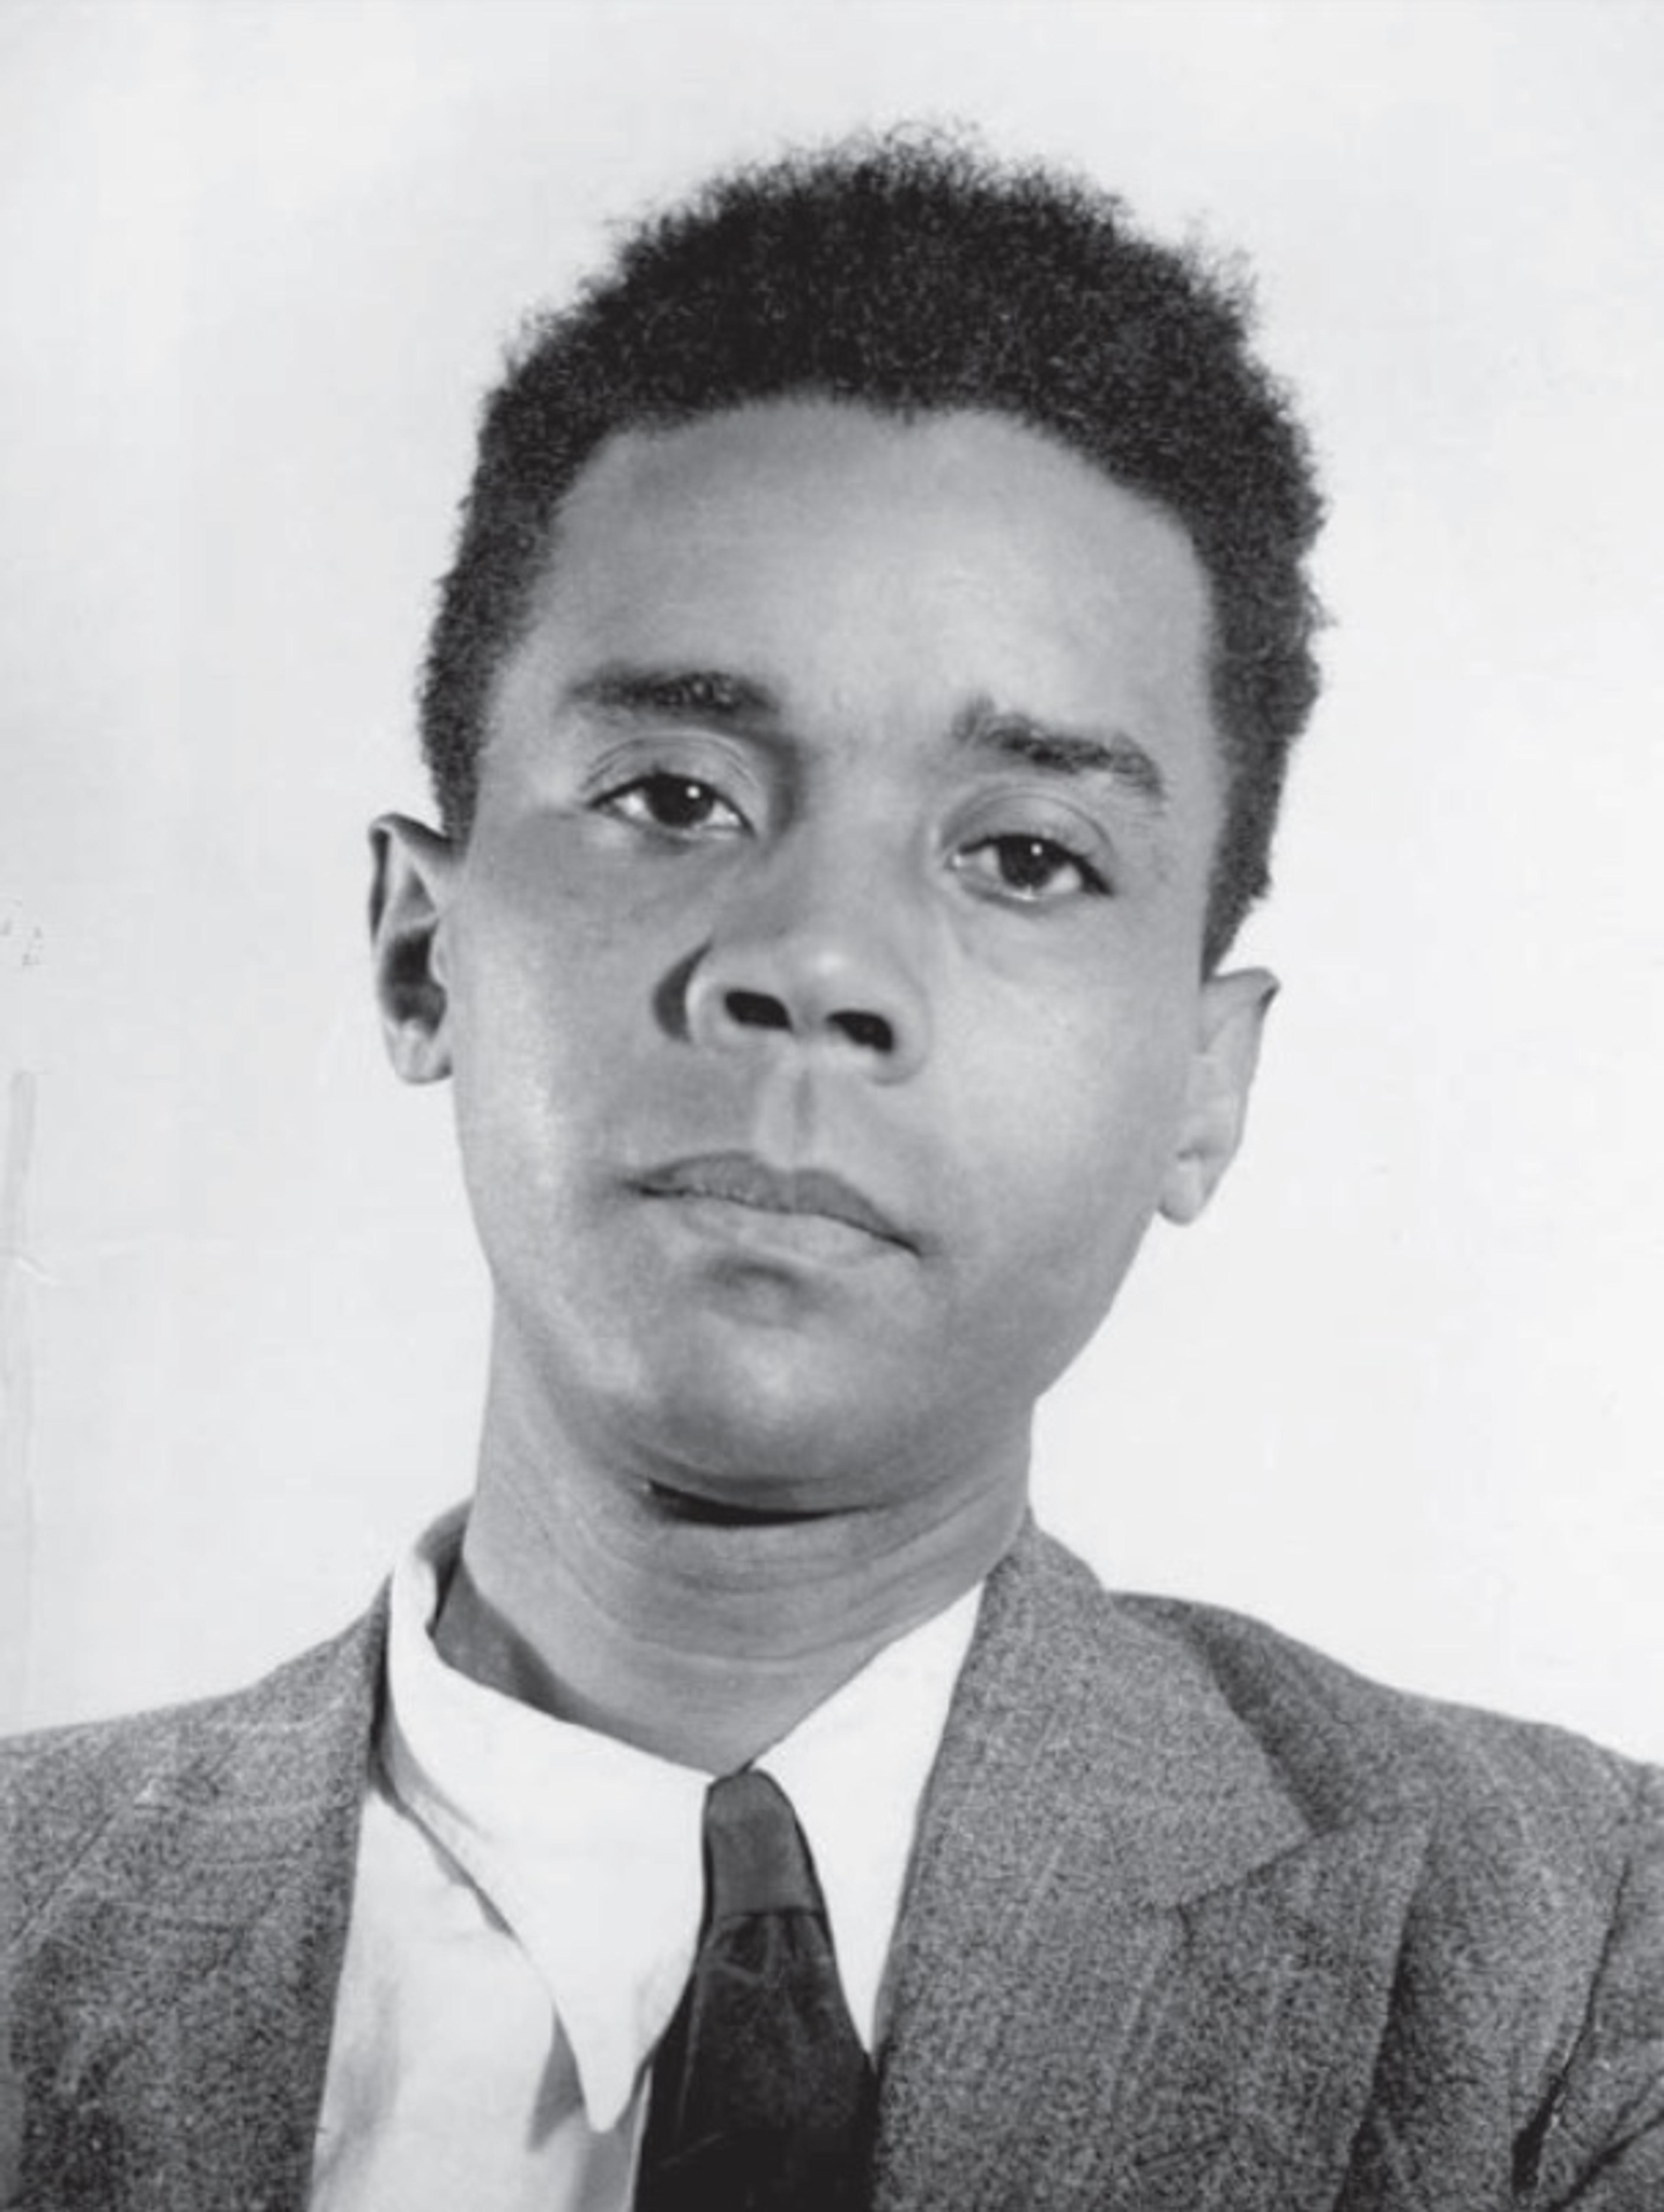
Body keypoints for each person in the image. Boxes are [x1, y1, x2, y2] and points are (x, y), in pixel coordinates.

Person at [3, 130, 1660, 2212]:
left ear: (1201, 1087)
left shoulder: (1581, 1978)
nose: (812, 963)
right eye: (678, 791)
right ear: (427, 948)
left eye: (1027, 854)